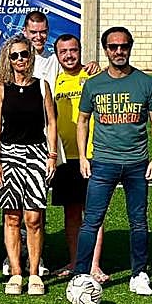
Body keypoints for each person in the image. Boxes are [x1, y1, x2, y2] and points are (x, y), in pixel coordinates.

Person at [76, 27, 152, 296]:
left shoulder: (146, 83)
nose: (118, 51)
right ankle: (81, 275)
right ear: (105, 50)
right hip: (103, 162)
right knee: (91, 221)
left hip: (137, 163)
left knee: (138, 221)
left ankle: (139, 274)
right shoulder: (93, 84)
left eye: (123, 46)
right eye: (113, 47)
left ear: (130, 47)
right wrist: (83, 157)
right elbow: (82, 121)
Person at [0, 34, 58, 296]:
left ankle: (35, 273)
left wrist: (52, 155)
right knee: (12, 217)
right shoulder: (1, 88)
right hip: (9, 155)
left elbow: (51, 122)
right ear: (8, 59)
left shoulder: (42, 86)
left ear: (31, 56)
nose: (20, 59)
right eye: (14, 56)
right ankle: (16, 273)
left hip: (37, 154)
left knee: (34, 218)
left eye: (24, 54)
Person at [49, 34, 107, 283]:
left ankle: (94, 265)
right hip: (64, 157)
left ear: (80, 50)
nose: (69, 55)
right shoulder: (54, 80)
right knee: (71, 213)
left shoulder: (93, 76)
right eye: (63, 52)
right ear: (57, 55)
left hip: (92, 155)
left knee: (93, 213)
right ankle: (75, 262)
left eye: (73, 50)